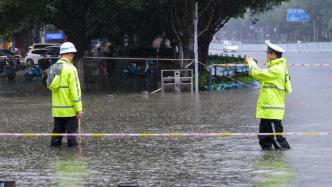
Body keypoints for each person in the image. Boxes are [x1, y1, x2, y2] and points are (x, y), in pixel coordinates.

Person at [245, 41, 292, 150]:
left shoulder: (277, 69)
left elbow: (257, 73)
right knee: (264, 138)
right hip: (267, 111)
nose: (266, 55)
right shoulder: (274, 68)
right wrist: (253, 66)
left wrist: (252, 63)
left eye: (267, 53)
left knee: (277, 140)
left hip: (272, 112)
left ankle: (282, 161)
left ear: (273, 55)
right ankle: (268, 162)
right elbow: (262, 78)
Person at [48, 42, 83, 147]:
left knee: (57, 136)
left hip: (57, 111)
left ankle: (55, 158)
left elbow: (51, 86)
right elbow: (75, 91)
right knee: (72, 137)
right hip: (70, 111)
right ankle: (72, 159)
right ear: (67, 54)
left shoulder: (54, 67)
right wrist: (79, 109)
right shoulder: (71, 69)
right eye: (72, 54)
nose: (73, 56)